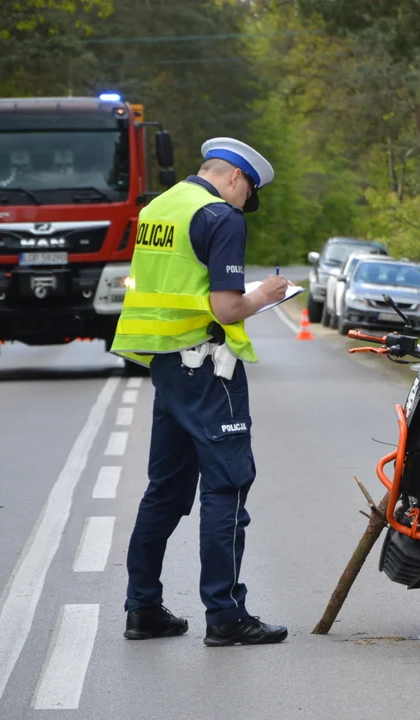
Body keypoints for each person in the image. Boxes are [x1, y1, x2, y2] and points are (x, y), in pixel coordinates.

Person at [111, 138, 291, 646]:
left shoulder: (158, 208)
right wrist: (268, 295)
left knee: (164, 493)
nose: (243, 205)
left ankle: (142, 609)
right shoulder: (220, 217)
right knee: (227, 488)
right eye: (246, 193)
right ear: (235, 177)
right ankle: (226, 615)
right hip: (211, 370)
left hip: (168, 366)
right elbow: (228, 308)